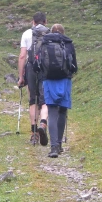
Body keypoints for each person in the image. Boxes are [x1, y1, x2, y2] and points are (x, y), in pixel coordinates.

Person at [40, 23, 77, 158]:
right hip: (64, 80)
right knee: (62, 111)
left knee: (52, 111)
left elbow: (38, 64)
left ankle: (53, 147)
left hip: (48, 80)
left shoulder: (44, 42)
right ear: (63, 32)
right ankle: (60, 144)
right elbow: (74, 66)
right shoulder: (68, 43)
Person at [17, 12, 49, 146]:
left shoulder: (26, 34)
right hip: (45, 69)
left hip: (31, 68)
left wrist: (20, 77)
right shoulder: (49, 33)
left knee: (32, 100)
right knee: (44, 100)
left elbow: (22, 56)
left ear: (33, 22)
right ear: (45, 22)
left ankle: (34, 132)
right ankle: (43, 123)